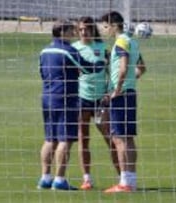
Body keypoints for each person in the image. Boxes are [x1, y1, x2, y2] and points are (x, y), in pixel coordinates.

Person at [37, 19, 105, 191]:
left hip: (47, 96)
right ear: (63, 32)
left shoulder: (44, 51)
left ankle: (45, 178)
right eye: (71, 30)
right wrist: (102, 62)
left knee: (49, 138)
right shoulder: (68, 50)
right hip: (65, 98)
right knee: (65, 139)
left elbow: (42, 73)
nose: (75, 33)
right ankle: (59, 180)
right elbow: (88, 69)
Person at [72, 16, 120, 190]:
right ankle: (87, 179)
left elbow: (112, 73)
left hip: (100, 101)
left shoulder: (103, 49)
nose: (84, 32)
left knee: (111, 139)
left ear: (93, 30)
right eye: (81, 29)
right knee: (83, 139)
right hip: (81, 99)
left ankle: (122, 177)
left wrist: (109, 92)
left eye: (87, 29)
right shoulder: (74, 49)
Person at [100, 11, 146, 193]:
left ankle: (124, 183)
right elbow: (142, 68)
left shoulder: (120, 42)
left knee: (119, 139)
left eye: (105, 26)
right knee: (128, 138)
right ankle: (130, 181)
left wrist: (117, 89)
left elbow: (124, 67)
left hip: (120, 95)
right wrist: (129, 83)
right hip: (130, 93)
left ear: (113, 25)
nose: (104, 31)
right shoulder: (132, 41)